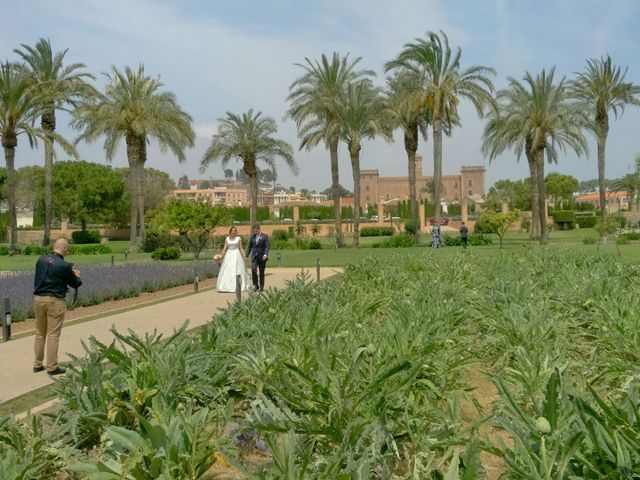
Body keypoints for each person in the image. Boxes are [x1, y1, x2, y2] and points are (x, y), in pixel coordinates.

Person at [33, 238, 82, 375]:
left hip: (38, 299)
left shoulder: (41, 260)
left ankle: (37, 364)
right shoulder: (65, 266)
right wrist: (76, 276)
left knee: (40, 333)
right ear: (65, 249)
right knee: (53, 335)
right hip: (55, 301)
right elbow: (75, 284)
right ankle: (52, 367)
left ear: (54, 247)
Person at [216, 226, 250, 292]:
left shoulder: (238, 239)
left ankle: (238, 286)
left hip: (237, 255)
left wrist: (244, 257)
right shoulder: (227, 239)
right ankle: (225, 286)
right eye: (232, 231)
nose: (234, 232)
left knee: (238, 269)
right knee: (227, 269)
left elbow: (241, 248)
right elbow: (224, 248)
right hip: (229, 255)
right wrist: (221, 256)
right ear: (230, 232)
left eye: (235, 231)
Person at [245, 224, 270, 292]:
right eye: (254, 231)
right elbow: (250, 246)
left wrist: (265, 254)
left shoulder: (265, 236)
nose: (255, 232)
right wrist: (246, 255)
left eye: (256, 230)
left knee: (261, 272)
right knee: (253, 269)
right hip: (254, 257)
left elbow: (267, 246)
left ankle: (261, 286)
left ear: (259, 229)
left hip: (262, 257)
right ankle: (256, 285)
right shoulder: (252, 237)